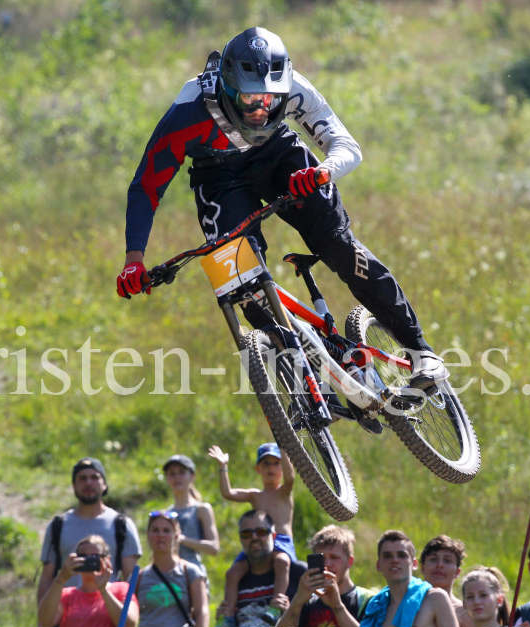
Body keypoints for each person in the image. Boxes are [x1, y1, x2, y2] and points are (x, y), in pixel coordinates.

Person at [117, 26, 448, 391]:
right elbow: (146, 186)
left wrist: (322, 171)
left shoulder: (294, 88)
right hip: (220, 176)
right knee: (243, 284)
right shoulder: (186, 115)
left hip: (282, 159)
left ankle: (422, 354)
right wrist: (134, 258)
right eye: (248, 100)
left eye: (270, 100)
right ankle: (309, 380)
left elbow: (346, 146)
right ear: (227, 88)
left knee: (339, 246)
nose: (260, 109)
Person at [36, 458, 142, 627]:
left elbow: (132, 579)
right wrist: (43, 620)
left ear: (104, 484)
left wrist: (131, 616)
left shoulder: (121, 524)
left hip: (110, 616)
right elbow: (46, 577)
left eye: (94, 477)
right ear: (74, 485)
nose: (88, 483)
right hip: (65, 613)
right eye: (82, 478)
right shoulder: (58, 525)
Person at [209, 443, 295, 615]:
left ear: (282, 467)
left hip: (281, 542)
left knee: (282, 562)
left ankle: (276, 605)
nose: (271, 467)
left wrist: (285, 448)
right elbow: (228, 493)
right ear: (258, 469)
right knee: (233, 572)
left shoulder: (284, 492)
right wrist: (223, 466)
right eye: (265, 464)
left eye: (275, 463)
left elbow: (291, 478)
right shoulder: (254, 495)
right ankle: (227, 616)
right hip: (258, 542)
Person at [212, 510, 306, 627]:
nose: (254, 537)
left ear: (273, 536)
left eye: (261, 531)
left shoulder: (297, 573)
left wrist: (291, 612)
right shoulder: (237, 577)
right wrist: (225, 617)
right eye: (246, 533)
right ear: (240, 538)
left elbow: (317, 621)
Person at [37, 535, 139, 627]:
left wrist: (103, 590)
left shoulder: (121, 589)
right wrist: (61, 578)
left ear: (107, 559)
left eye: (95, 556)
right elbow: (45, 621)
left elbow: (129, 626)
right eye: (83, 557)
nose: (89, 561)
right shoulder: (66, 594)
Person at [133, 510, 210, 627]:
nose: (160, 535)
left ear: (176, 535)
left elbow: (202, 613)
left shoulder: (190, 572)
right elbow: (128, 620)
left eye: (167, 530)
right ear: (148, 535)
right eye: (155, 530)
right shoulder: (139, 577)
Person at [162, 454, 220, 577]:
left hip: (194, 575)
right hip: (170, 575)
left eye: (182, 472)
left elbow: (214, 548)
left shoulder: (201, 509)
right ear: (167, 478)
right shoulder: (166, 513)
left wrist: (182, 539)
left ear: (192, 477)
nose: (177, 477)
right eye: (172, 473)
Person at [420, 535, 474, 627]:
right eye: (433, 559)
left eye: (447, 561)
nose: (440, 565)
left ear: (457, 572)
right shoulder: (410, 607)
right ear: (422, 567)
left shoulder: (465, 612)